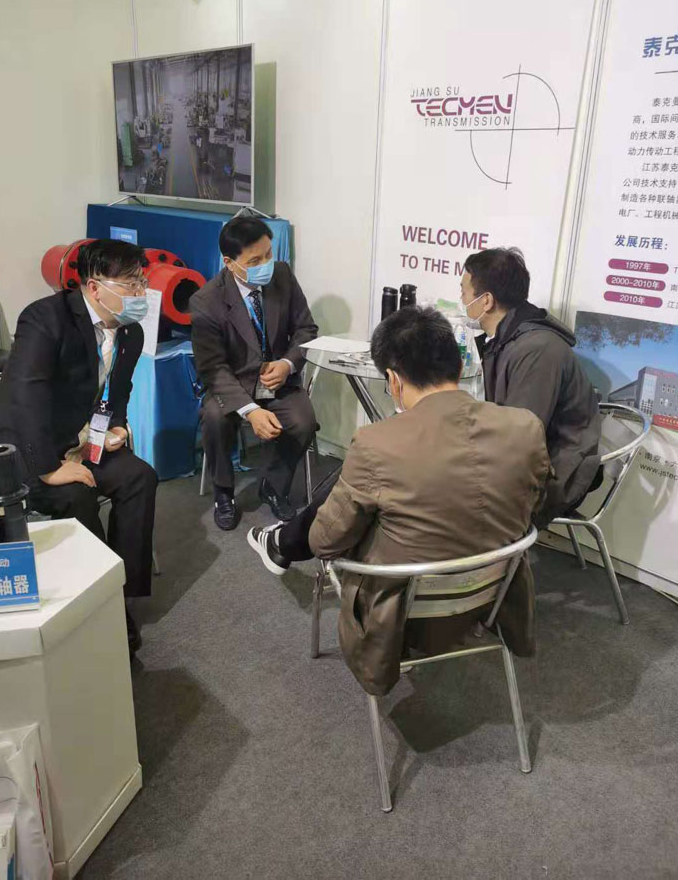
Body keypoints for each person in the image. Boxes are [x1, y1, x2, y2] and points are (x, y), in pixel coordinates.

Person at [247, 306, 550, 695]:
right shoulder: (525, 427)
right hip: (492, 600)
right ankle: (281, 539)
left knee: (356, 511)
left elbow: (324, 542)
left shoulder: (377, 443)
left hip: (401, 616)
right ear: (459, 367)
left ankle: (279, 541)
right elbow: (535, 504)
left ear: (392, 380)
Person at [0, 239, 158, 658]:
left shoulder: (130, 331)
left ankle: (121, 590)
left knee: (139, 477)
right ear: (95, 287)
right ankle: (96, 601)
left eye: (142, 282)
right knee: (77, 496)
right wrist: (48, 467)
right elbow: (26, 398)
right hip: (23, 447)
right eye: (131, 284)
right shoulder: (45, 319)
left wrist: (113, 426)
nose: (141, 293)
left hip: (78, 439)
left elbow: (119, 389)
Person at [191, 216, 318, 531]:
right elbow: (212, 367)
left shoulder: (282, 275)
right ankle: (224, 493)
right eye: (254, 261)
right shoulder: (206, 302)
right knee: (215, 419)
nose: (266, 265)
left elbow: (306, 329)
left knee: (303, 421)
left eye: (268, 254)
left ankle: (273, 486)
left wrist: (287, 363)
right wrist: (250, 410)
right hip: (231, 384)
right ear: (229, 263)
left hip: (277, 380)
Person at [460, 247, 601, 527]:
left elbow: (519, 440)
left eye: (463, 292)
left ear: (485, 301)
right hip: (532, 456)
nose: (462, 301)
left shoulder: (537, 350)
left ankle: (487, 552)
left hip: (558, 472)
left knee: (443, 489)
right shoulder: (507, 340)